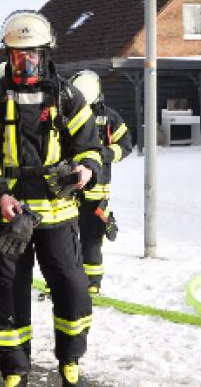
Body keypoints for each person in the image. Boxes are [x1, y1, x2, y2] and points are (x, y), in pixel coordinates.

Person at [0, 10, 102, 387]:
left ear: (46, 53)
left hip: (58, 217)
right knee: (8, 296)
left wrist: (86, 170)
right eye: (18, 55)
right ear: (8, 55)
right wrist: (1, 195)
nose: (26, 63)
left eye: (33, 55)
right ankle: (14, 370)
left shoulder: (68, 97)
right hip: (9, 217)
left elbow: (90, 147)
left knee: (73, 290)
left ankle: (70, 359)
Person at [69, 70, 132, 295]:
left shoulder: (110, 118)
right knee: (65, 239)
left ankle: (92, 282)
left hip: (97, 189)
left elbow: (125, 144)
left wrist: (103, 155)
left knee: (92, 237)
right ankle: (64, 283)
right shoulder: (67, 113)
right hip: (70, 188)